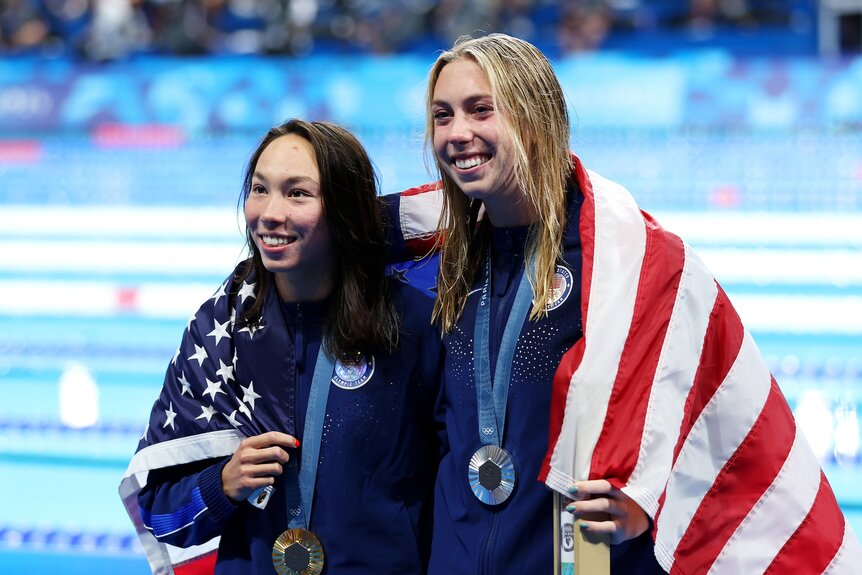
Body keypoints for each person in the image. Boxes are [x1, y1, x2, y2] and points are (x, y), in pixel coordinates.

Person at [385, 33, 861, 574]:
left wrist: (649, 498)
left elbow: (705, 412)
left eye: (480, 110)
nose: (457, 133)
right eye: (443, 116)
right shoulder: (439, 266)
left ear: (533, 117)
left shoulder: (626, 265)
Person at [120, 119, 442, 575]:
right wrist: (222, 484)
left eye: (297, 193)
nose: (270, 213)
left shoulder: (410, 324)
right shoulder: (220, 332)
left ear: (343, 210)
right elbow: (159, 516)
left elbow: (452, 490)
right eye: (259, 189)